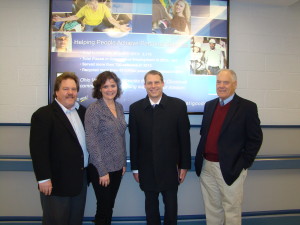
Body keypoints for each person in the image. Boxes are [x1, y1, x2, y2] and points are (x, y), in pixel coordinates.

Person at [194, 69, 263, 225]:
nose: (221, 86)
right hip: (207, 167)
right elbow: (204, 133)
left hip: (231, 167)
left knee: (231, 210)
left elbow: (255, 138)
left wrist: (243, 164)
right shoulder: (209, 105)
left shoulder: (247, 107)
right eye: (218, 82)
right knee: (212, 209)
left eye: (226, 82)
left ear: (235, 84)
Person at [129, 70, 191, 225]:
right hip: (146, 168)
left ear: (163, 83)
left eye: (156, 82)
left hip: (171, 168)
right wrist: (135, 168)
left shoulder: (178, 106)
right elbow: (134, 141)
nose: (153, 86)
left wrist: (184, 166)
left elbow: (184, 139)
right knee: (151, 209)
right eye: (149, 83)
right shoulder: (136, 108)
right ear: (144, 85)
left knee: (171, 209)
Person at [30, 72, 89, 225]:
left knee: (75, 221)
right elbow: (38, 150)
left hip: (79, 181)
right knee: (56, 221)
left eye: (74, 89)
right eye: (65, 89)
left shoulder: (82, 112)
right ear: (56, 91)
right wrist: (43, 178)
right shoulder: (43, 115)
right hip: (56, 183)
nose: (70, 92)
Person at [85, 71, 127, 225]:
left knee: (109, 206)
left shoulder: (119, 107)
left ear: (117, 87)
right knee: (104, 206)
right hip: (100, 168)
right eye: (106, 86)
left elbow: (122, 136)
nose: (110, 89)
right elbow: (91, 141)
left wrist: (123, 162)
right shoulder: (94, 109)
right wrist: (102, 171)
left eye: (113, 85)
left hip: (117, 166)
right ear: (100, 89)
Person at [52, 0, 131, 32]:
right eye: (91, 5)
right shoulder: (84, 8)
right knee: (86, 37)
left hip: (100, 24)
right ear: (88, 5)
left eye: (95, 3)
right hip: (88, 25)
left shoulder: (103, 6)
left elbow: (111, 19)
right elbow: (75, 17)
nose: (95, 6)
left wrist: (120, 26)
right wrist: (60, 19)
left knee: (109, 32)